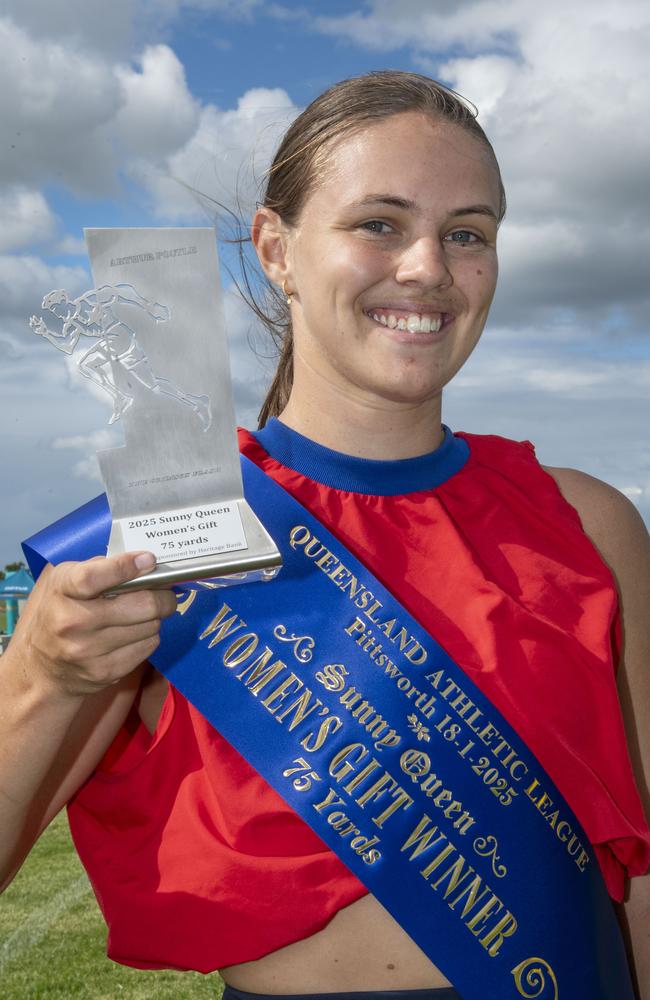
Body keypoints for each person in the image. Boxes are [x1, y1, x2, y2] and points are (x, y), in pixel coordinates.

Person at [1, 71, 649, 1000]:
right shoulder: (164, 533)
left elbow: (642, 871)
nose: (427, 266)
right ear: (276, 248)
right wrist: (43, 675)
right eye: (378, 223)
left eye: (467, 233)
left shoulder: (588, 524)